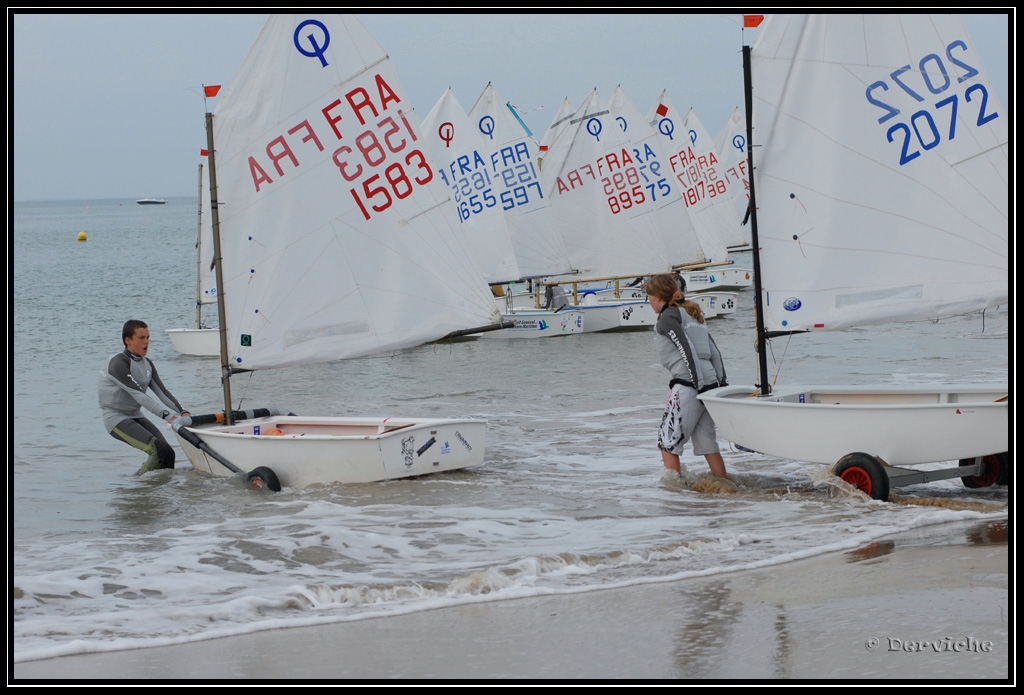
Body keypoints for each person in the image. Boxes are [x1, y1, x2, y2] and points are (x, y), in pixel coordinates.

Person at [646, 273, 728, 478]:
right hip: (710, 385)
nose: (649, 302)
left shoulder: (667, 317)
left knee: (667, 442)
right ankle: (725, 486)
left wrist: (697, 384)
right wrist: (721, 383)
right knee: (708, 444)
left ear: (658, 296)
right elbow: (714, 351)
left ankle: (674, 496)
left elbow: (686, 348)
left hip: (690, 385)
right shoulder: (691, 313)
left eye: (649, 297)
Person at [99, 320, 190, 475]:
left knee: (168, 452)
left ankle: (163, 492)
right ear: (128, 340)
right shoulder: (118, 363)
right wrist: (169, 417)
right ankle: (138, 487)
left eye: (148, 337)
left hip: (135, 415)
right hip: (116, 419)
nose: (146, 342)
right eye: (141, 338)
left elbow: (162, 392)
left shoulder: (147, 363)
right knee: (157, 450)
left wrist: (183, 412)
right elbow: (140, 396)